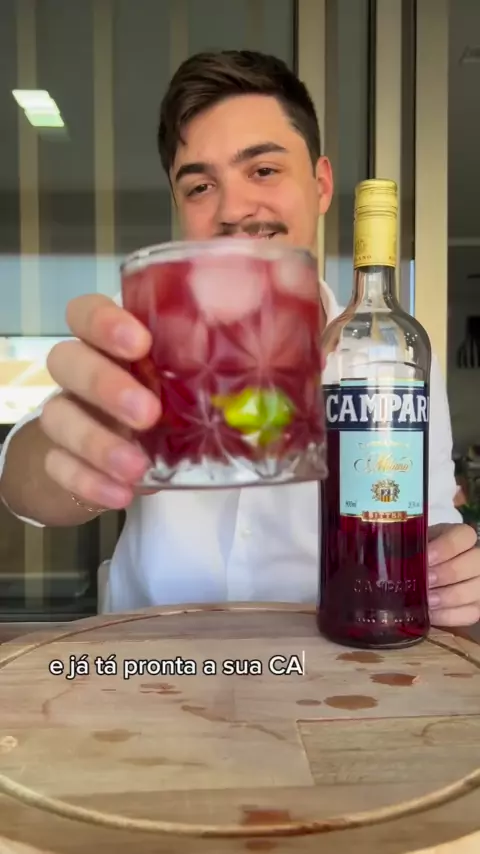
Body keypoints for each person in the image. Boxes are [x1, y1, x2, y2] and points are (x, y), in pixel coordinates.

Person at [0, 50, 478, 623]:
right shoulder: (144, 340)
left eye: (264, 170)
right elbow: (20, 487)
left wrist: (453, 565)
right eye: (200, 186)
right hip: (151, 662)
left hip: (336, 666)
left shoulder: (388, 357)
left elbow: (429, 516)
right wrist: (89, 455)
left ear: (321, 185)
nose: (233, 209)